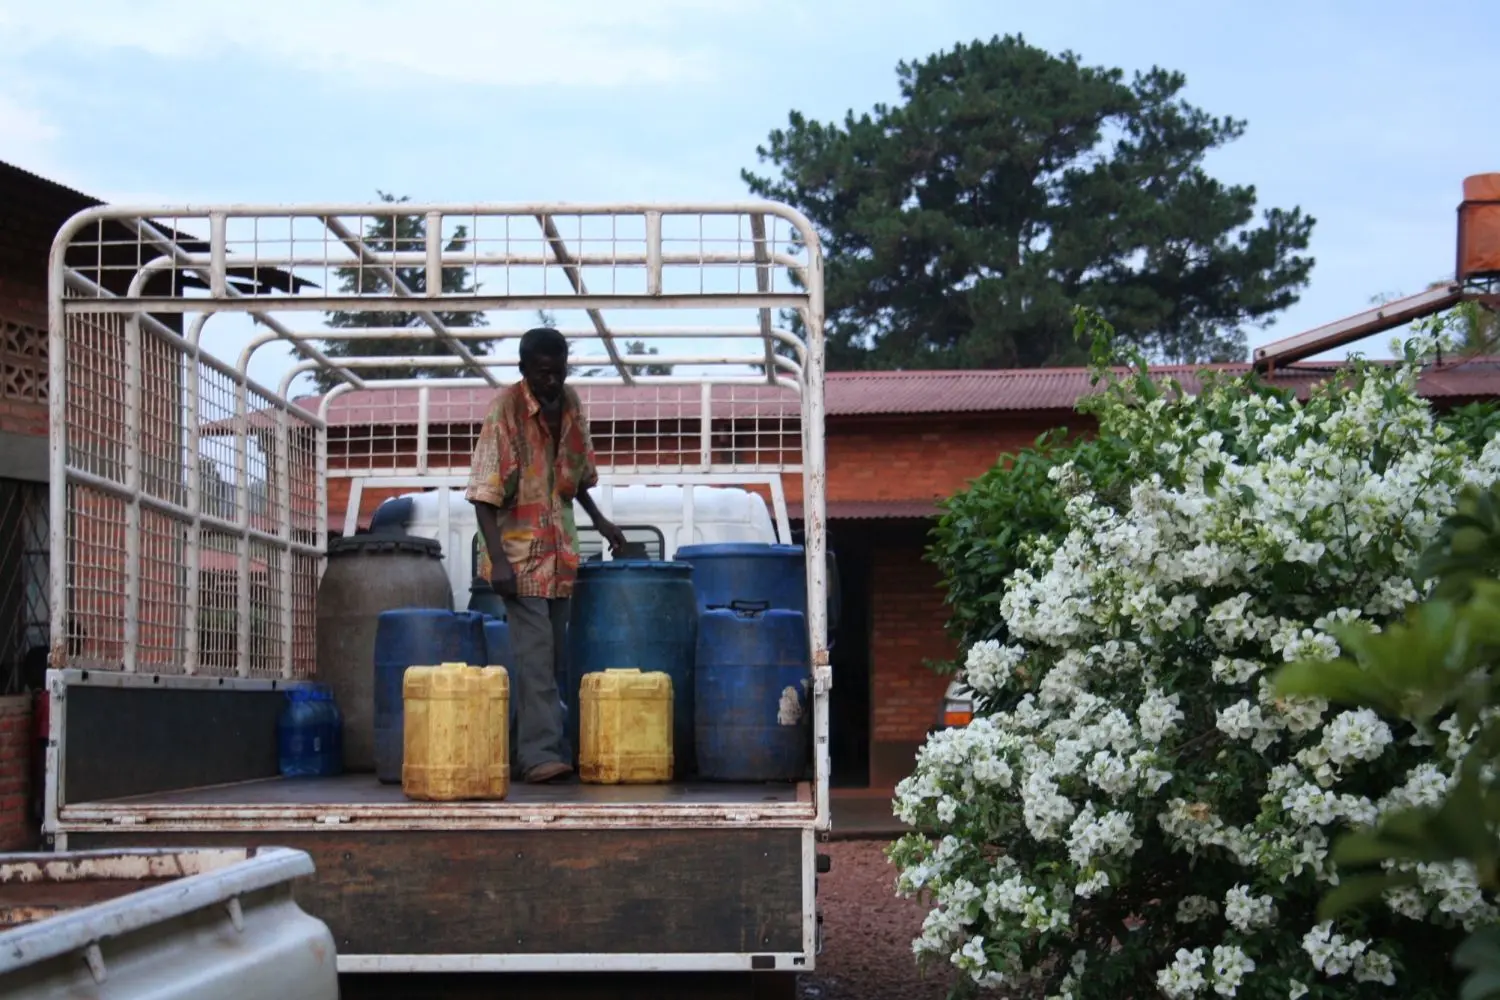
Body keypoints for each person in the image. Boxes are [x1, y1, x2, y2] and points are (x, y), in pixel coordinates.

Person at [465, 327, 626, 784]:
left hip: (560, 557)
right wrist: (496, 561)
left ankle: (520, 748)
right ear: (523, 369)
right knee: (536, 658)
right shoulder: (506, 410)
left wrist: (601, 522)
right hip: (516, 559)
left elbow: (572, 481)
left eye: (559, 371)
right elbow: (482, 495)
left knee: (551, 659)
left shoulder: (571, 405)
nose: (552, 381)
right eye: (542, 373)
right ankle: (539, 757)